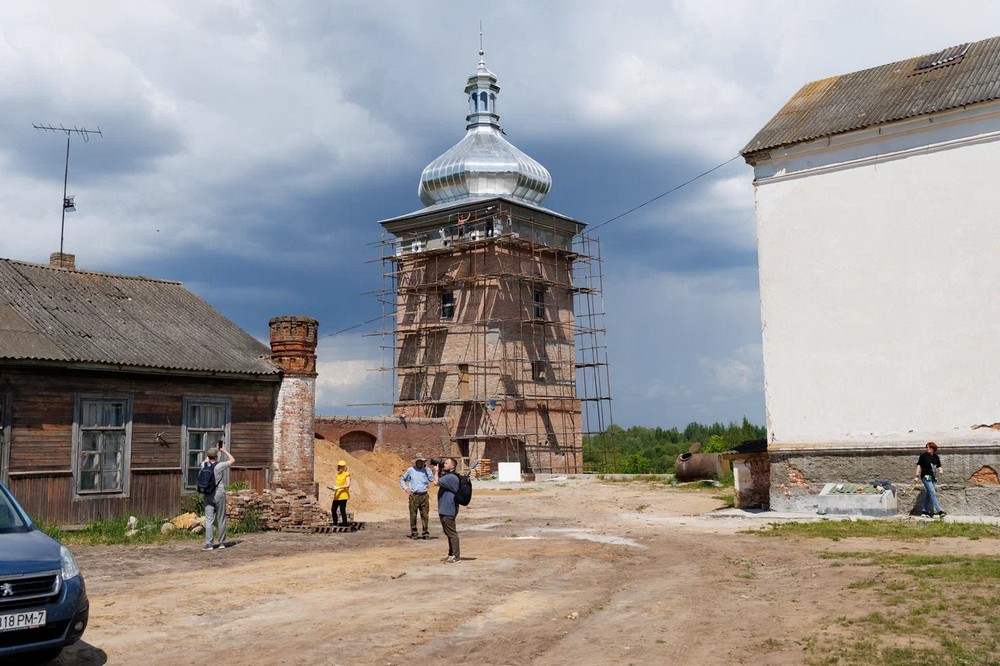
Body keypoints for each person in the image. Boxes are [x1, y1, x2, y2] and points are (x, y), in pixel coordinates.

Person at [201, 441, 235, 551]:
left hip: (208, 494)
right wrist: (223, 450)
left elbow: (207, 460)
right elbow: (232, 460)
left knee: (209, 520)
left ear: (208, 456)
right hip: (219, 493)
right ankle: (222, 542)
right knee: (221, 519)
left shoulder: (203, 465)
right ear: (216, 456)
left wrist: (211, 452)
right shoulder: (219, 465)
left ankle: (209, 544)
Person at [401, 454, 435, 539]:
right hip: (414, 496)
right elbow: (402, 479)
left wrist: (427, 469)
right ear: (416, 461)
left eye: (422, 461)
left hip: (424, 495)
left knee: (425, 515)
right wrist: (406, 489)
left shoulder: (426, 470)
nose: (421, 462)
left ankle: (425, 532)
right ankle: (414, 532)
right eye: (419, 461)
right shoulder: (410, 470)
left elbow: (431, 479)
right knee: (413, 515)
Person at [436, 457, 461, 562]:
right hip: (445, 508)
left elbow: (435, 482)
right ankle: (451, 554)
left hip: (448, 509)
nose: (444, 464)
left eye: (446, 463)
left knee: (451, 533)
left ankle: (456, 556)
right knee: (448, 533)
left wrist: (436, 471)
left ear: (452, 466)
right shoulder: (449, 476)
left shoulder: (451, 477)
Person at [915, 441, 946, 518]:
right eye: (927, 447)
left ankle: (925, 511)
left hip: (933, 477)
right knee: (932, 492)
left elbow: (939, 465)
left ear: (933, 448)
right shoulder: (923, 456)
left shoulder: (936, 457)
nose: (927, 448)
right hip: (926, 476)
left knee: (929, 494)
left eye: (929, 447)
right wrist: (916, 476)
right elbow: (919, 466)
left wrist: (941, 470)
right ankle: (939, 511)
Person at [328, 460, 351, 526]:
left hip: (343, 495)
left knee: (342, 510)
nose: (339, 468)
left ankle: (345, 524)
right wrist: (334, 488)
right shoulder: (338, 474)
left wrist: (338, 487)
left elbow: (348, 485)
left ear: (344, 467)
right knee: (333, 509)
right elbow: (338, 484)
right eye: (339, 466)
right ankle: (335, 524)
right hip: (337, 495)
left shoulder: (346, 474)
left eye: (341, 466)